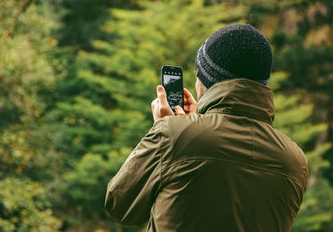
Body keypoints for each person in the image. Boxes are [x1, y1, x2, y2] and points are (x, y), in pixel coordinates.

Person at [105, 24, 308, 232]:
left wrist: (163, 131)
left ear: (204, 79)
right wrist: (191, 126)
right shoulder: (295, 161)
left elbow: (120, 205)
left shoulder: (174, 135)